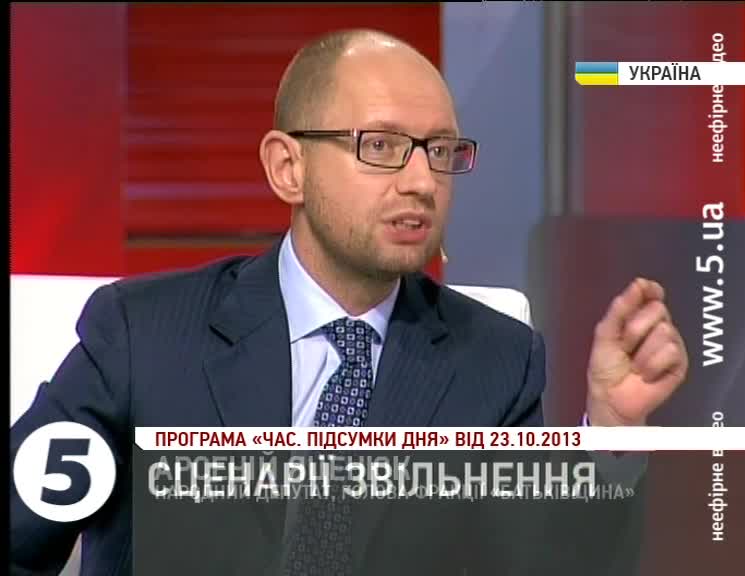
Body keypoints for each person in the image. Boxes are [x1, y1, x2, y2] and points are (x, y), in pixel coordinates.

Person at [10, 29, 688, 575]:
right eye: (381, 146)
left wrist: (611, 432)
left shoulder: (495, 361)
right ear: (288, 168)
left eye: (441, 151)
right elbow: (19, 533)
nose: (421, 181)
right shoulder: (143, 334)